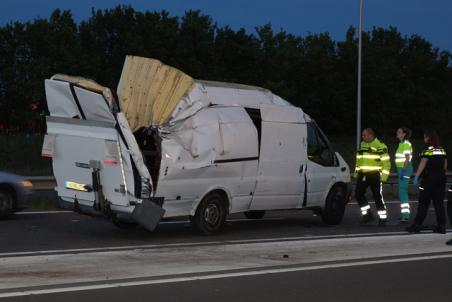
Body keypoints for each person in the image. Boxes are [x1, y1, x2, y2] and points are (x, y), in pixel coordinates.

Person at [406, 130, 447, 234]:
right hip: (441, 178)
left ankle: (416, 226)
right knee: (439, 204)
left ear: (428, 138)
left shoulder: (426, 149)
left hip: (429, 180)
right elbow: (445, 165)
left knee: (423, 203)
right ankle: (441, 226)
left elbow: (423, 164)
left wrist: (417, 176)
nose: (424, 139)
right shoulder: (442, 149)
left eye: (425, 137)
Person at [354, 128, 391, 225]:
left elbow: (386, 163)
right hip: (363, 174)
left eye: (364, 135)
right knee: (358, 194)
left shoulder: (380, 146)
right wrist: (356, 173)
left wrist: (384, 177)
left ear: (371, 135)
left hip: (374, 175)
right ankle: (367, 216)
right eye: (362, 135)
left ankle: (382, 219)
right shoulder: (362, 144)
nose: (362, 137)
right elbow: (359, 160)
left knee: (377, 197)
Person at [395, 127, 414, 223]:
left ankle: (406, 216)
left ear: (404, 134)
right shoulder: (401, 143)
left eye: (399, 132)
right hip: (402, 170)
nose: (397, 133)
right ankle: (404, 215)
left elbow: (408, 159)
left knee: (402, 192)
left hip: (404, 170)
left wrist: (403, 170)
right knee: (402, 192)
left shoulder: (406, 144)